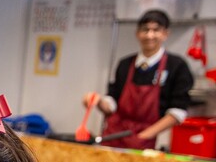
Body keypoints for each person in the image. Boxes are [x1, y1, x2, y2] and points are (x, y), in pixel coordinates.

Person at [83, 9, 194, 150]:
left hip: (147, 141)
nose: (150, 35)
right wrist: (98, 101)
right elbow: (112, 104)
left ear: (165, 34)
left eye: (156, 30)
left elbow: (177, 112)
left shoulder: (177, 66)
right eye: (145, 30)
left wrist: (144, 136)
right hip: (113, 136)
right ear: (137, 33)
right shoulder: (125, 64)